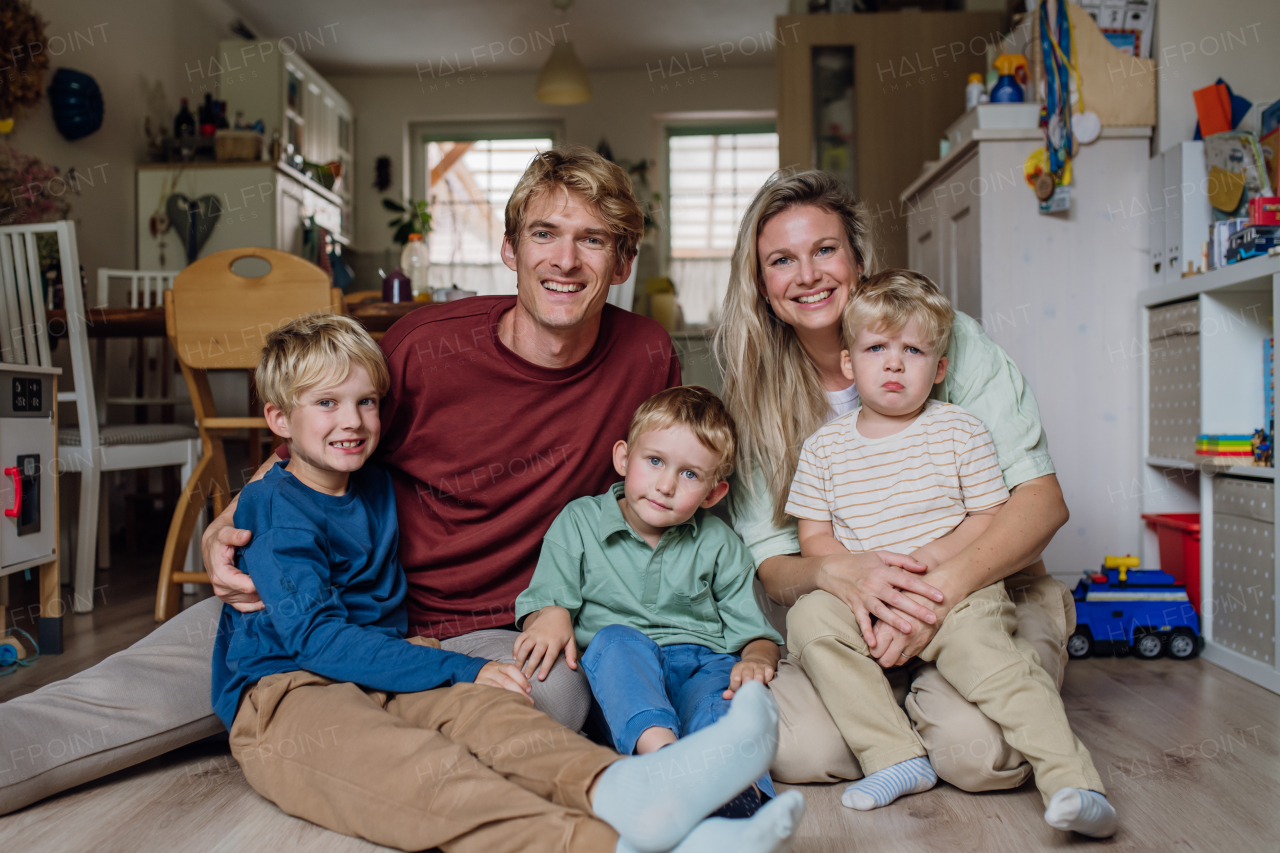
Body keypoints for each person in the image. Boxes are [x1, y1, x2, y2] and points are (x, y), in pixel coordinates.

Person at [217, 313, 807, 853]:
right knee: (416, 770)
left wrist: (463, 673)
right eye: (327, 403)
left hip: (394, 659)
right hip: (289, 684)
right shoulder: (272, 510)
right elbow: (318, 638)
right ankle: (611, 845)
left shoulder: (371, 480)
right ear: (278, 418)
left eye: (366, 402)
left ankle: (636, 791)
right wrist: (464, 666)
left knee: (505, 720)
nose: (352, 421)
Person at [201, 146, 682, 731]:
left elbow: (665, 491)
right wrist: (226, 527)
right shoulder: (425, 347)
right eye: (544, 234)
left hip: (507, 628)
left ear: (624, 261)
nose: (565, 260)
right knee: (155, 693)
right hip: (355, 606)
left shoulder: (646, 355)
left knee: (555, 704)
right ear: (510, 249)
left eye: (593, 240)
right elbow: (307, 451)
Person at [713, 169, 1078, 790]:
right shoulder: (756, 399)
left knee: (976, 754)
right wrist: (834, 572)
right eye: (781, 260)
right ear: (762, 285)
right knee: (799, 751)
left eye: (825, 250)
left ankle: (958, 696)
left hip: (980, 594)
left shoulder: (946, 343)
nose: (807, 275)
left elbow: (1041, 505)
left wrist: (931, 598)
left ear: (857, 260)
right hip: (854, 616)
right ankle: (903, 723)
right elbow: (774, 566)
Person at [783, 271, 1115, 837]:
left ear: (938, 370)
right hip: (872, 599)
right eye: (876, 349)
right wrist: (870, 584)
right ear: (848, 364)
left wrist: (928, 564)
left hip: (953, 593)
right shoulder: (823, 448)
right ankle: (896, 758)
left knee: (993, 665)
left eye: (912, 350)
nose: (893, 364)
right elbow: (815, 540)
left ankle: (1074, 782)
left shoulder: (959, 430)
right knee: (808, 618)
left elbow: (988, 516)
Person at [513, 386, 785, 817]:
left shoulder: (719, 543)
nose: (666, 485)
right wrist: (550, 614)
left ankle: (738, 798)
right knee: (616, 642)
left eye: (691, 474)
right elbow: (547, 601)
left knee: (726, 700)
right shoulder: (579, 521)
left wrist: (755, 659)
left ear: (714, 494)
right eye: (654, 461)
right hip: (621, 673)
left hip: (701, 664)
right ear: (624, 458)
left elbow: (755, 635)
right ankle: (665, 766)